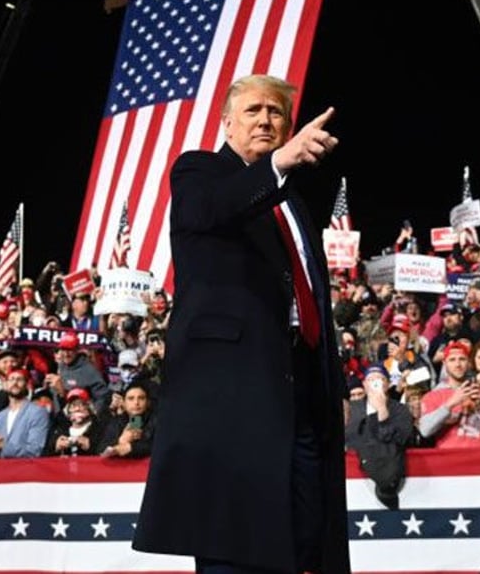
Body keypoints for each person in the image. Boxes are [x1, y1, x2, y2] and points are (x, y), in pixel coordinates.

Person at [132, 74, 350, 574]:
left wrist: (330, 385)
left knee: (305, 541)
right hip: (231, 394)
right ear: (227, 122)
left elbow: (310, 293)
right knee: (233, 543)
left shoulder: (293, 202)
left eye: (276, 113)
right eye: (253, 111)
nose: (266, 120)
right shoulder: (199, 173)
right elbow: (212, 209)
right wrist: (277, 165)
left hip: (299, 394)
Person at [344, 364, 414, 510]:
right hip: (353, 479)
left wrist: (382, 411)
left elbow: (402, 439)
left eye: (380, 379)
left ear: (388, 384)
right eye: (371, 379)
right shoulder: (352, 408)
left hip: (387, 480)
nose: (375, 383)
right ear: (364, 385)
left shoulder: (400, 410)